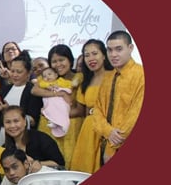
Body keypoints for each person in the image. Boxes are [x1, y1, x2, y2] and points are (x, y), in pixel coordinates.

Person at [91, 30, 144, 166]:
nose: (113, 55)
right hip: (107, 143)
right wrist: (108, 132)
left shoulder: (141, 75)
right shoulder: (108, 77)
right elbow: (97, 109)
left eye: (118, 49)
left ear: (130, 48)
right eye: (109, 50)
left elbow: (136, 113)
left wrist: (115, 140)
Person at [30, 44, 84, 166]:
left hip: (71, 127)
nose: (58, 64)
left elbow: (80, 110)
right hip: (48, 126)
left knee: (69, 165)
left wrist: (57, 115)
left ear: (70, 60)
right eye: (54, 61)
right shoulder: (48, 78)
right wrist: (57, 94)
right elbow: (34, 90)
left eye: (61, 60)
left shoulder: (79, 79)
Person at [70, 39, 114, 173]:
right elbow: (83, 111)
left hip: (108, 128)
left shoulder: (114, 77)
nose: (91, 58)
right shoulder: (85, 80)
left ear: (104, 55)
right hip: (89, 130)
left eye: (95, 53)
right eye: (87, 55)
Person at [0, 51, 42, 145]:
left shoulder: (32, 90)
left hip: (24, 139)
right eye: (12, 71)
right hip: (3, 136)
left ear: (28, 73)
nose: (14, 75)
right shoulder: (5, 89)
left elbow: (33, 121)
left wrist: (9, 109)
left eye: (19, 72)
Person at [36, 66, 75, 137]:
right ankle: (53, 120)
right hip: (50, 98)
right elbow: (40, 84)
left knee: (60, 106)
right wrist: (48, 86)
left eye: (49, 74)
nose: (47, 77)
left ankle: (58, 122)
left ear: (56, 75)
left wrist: (60, 87)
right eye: (44, 76)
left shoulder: (60, 80)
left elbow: (69, 84)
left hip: (60, 99)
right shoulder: (44, 83)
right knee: (50, 106)